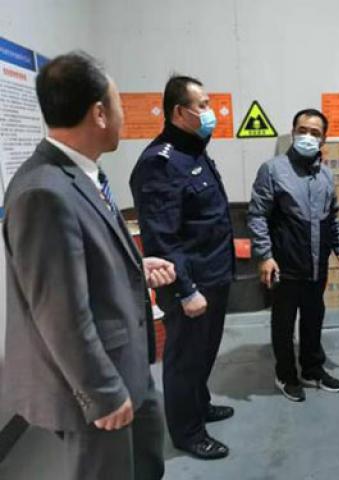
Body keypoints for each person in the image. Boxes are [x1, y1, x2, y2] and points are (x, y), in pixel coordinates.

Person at [1, 51, 176, 480]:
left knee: (145, 466)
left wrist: (136, 264)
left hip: (126, 365)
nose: (122, 116)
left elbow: (81, 263)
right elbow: (58, 312)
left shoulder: (81, 174)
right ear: (99, 113)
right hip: (96, 386)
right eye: (118, 105)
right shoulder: (43, 192)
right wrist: (103, 393)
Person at [130, 75, 235, 460]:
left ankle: (199, 404)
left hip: (214, 274)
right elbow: (162, 239)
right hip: (191, 282)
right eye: (202, 105)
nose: (210, 112)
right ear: (179, 112)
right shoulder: (160, 163)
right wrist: (186, 291)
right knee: (184, 359)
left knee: (204, 352)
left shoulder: (194, 151)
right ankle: (188, 432)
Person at [247, 108, 339, 402]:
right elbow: (257, 215)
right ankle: (286, 374)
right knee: (283, 322)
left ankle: (312, 369)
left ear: (323, 140)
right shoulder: (273, 170)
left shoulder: (326, 175)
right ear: (293, 133)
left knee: (313, 317)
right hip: (285, 263)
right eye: (302, 130)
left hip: (317, 264)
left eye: (315, 133)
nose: (308, 136)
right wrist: (265, 255)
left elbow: (332, 216)